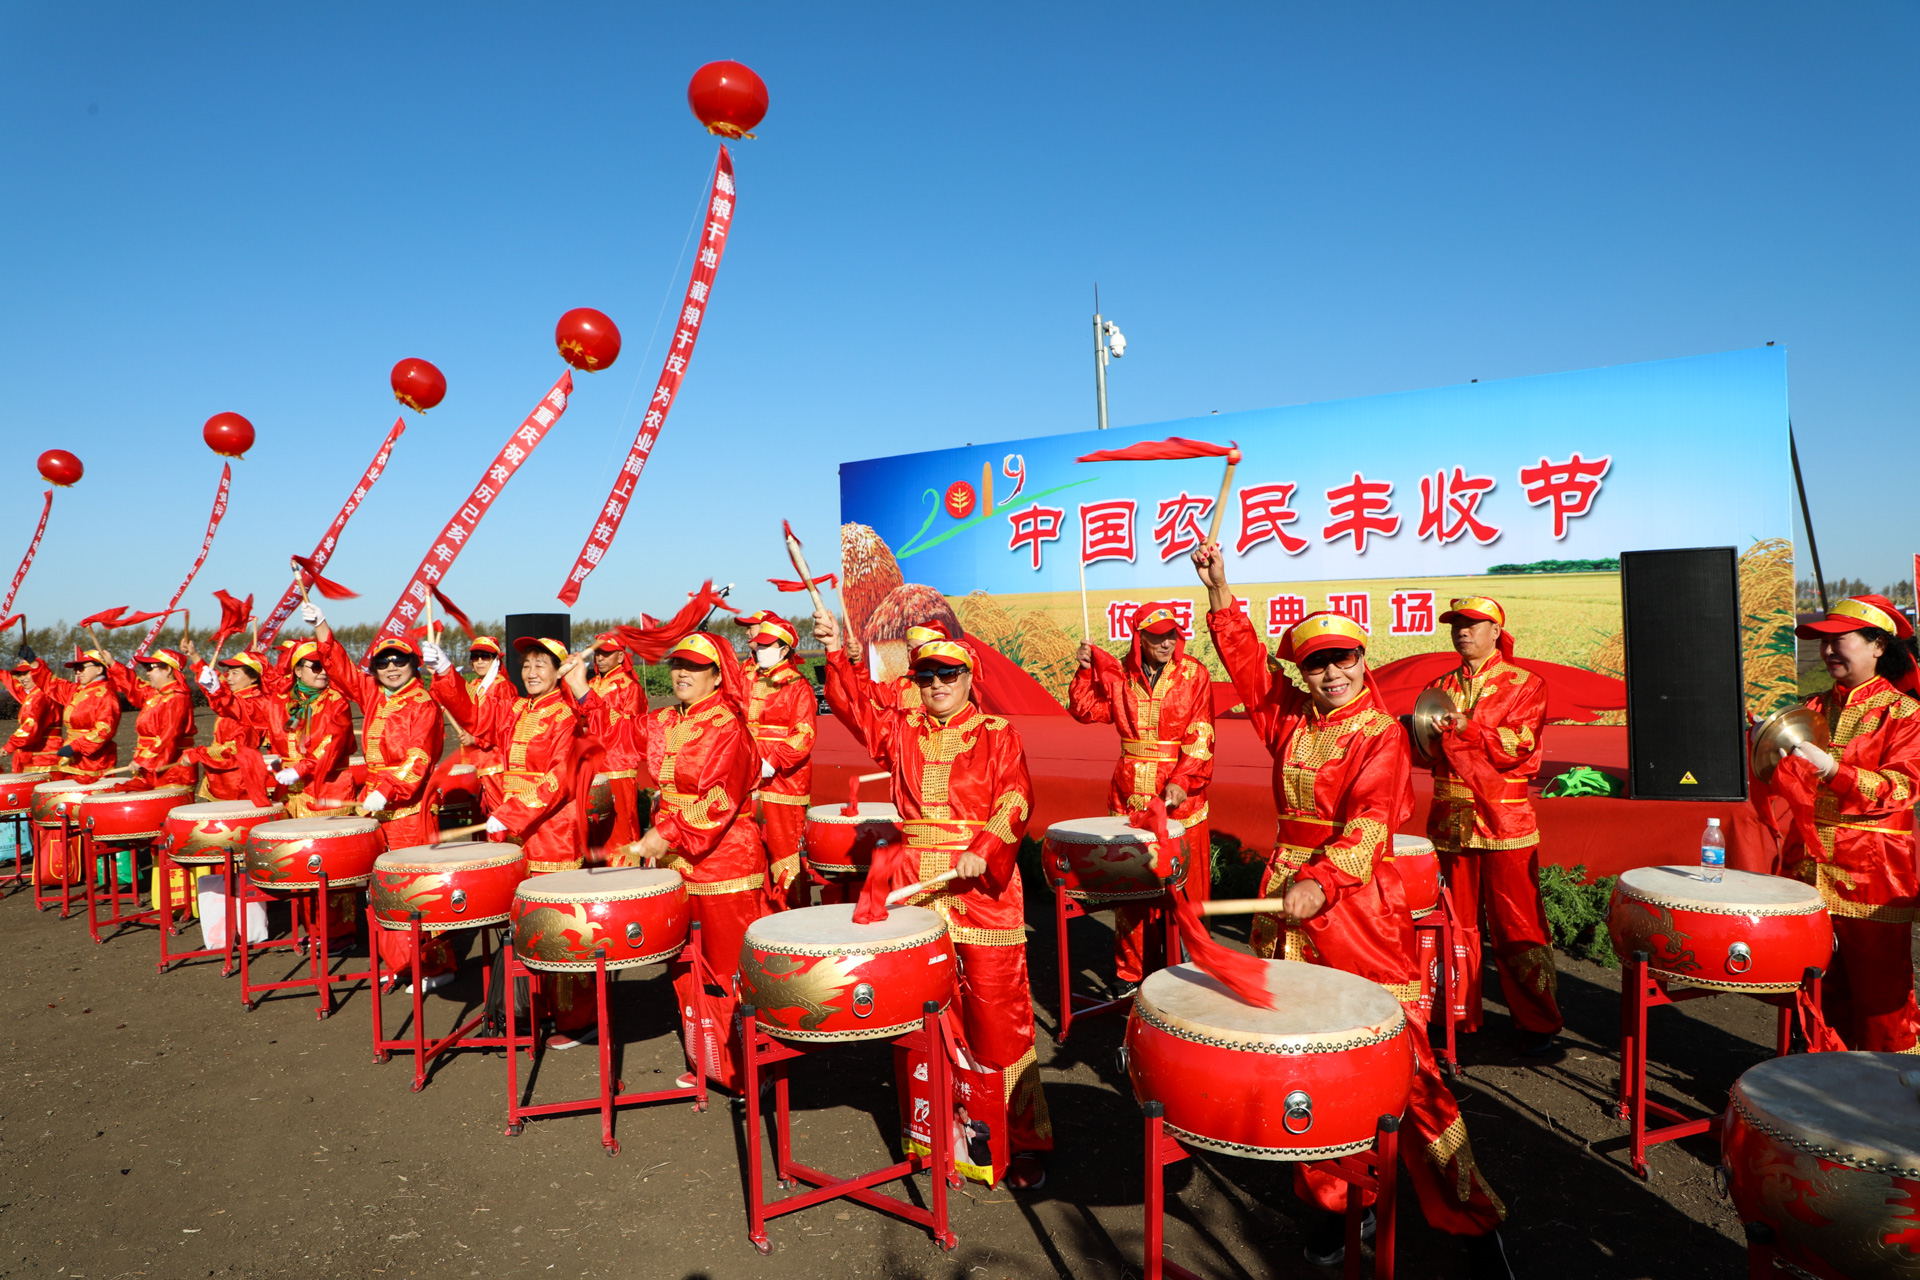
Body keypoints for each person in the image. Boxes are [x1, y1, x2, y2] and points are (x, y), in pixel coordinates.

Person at [1193, 542, 1511, 1276]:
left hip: (1358, 911)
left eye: (1343, 659)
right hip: (1287, 908)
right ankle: (1333, 1206)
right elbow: (1248, 669)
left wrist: (1323, 879)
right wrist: (1219, 592)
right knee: (1308, 1058)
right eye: (1316, 664)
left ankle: (1470, 1215)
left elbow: (1370, 824)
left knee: (1403, 1064)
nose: (1332, 673)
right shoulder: (1293, 719)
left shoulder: (1379, 736)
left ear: (1364, 660)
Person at [816, 610, 1054, 1191]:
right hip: (915, 890)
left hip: (982, 892)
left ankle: (1017, 1140)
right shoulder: (900, 731)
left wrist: (985, 846)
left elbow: (1017, 799)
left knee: (997, 1016)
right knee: (921, 1012)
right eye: (926, 676)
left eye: (949, 674)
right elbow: (854, 707)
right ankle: (936, 1131)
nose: (938, 684)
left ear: (970, 678)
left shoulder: (997, 734)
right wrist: (838, 652)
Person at [604, 632, 771, 1092]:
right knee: (684, 965)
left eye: (695, 667)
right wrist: (581, 691)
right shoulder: (663, 719)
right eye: (678, 664)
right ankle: (707, 1061)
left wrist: (666, 833)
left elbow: (720, 799)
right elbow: (616, 737)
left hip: (725, 864)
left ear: (717, 676)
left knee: (728, 969)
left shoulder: (729, 727)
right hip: (676, 864)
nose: (682, 673)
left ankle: (749, 1070)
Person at [1754, 593, 1920, 1052]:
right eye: (1823, 642)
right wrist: (1767, 743)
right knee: (1814, 987)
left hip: (1873, 874)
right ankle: (1817, 1077)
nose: (1827, 651)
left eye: (1839, 640)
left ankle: (1893, 1088)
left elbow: (1901, 788)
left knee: (1881, 996)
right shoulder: (1811, 707)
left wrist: (1832, 770)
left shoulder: (1905, 714)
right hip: (1809, 869)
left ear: (1878, 646)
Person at [1420, 597, 1563, 1055]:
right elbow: (1426, 750)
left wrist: (1467, 729)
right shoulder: (1438, 687)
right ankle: (1455, 1016)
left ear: (1496, 632)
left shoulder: (1526, 684)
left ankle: (1537, 1022)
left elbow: (1519, 745)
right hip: (1450, 818)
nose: (1462, 632)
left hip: (1505, 819)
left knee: (1517, 923)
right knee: (1452, 921)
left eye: (1473, 624)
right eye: (1456, 625)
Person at [438, 634, 598, 1033]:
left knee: (560, 928)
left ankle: (577, 1018)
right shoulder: (514, 708)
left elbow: (559, 779)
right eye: (526, 664)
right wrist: (444, 673)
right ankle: (534, 1009)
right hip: (516, 833)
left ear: (560, 672)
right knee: (525, 925)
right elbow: (475, 719)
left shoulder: (566, 717)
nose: (531, 671)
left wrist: (510, 813)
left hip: (553, 834)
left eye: (541, 664)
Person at [1069, 603, 1216, 994]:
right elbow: (1085, 710)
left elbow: (1202, 733)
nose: (1166, 643)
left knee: (1185, 890)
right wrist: (1084, 671)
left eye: (1171, 635)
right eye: (1156, 637)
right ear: (1139, 638)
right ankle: (1132, 974)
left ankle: (1191, 973)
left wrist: (1183, 779)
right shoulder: (1119, 674)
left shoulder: (1194, 674)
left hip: (1182, 797)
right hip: (1129, 793)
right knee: (1132, 891)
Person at [304, 602, 443, 850]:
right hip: (372, 802)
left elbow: (419, 757)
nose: (391, 668)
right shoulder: (373, 693)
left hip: (409, 810)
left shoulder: (423, 704)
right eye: (382, 663)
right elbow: (341, 669)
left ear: (413, 663)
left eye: (399, 660)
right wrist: (320, 626)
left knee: (407, 871)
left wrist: (387, 790)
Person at [739, 612, 815, 908]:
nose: (760, 649)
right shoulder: (749, 678)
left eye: (767, 645)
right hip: (748, 778)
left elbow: (804, 735)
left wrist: (771, 762)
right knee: (751, 850)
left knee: (784, 855)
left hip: (784, 783)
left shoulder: (797, 685)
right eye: (759, 644)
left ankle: (793, 913)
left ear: (784, 650)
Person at [269, 640, 358, 817]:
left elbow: (333, 744)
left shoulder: (336, 701)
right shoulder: (282, 700)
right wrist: (217, 692)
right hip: (289, 793)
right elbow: (245, 711)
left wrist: (299, 769)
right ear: (298, 671)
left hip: (326, 790)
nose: (323, 672)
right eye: (317, 667)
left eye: (326, 666)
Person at [577, 633, 645, 847]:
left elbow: (632, 728)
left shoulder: (630, 687)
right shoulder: (591, 683)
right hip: (592, 763)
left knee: (620, 828)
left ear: (620, 656)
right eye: (597, 653)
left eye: (606, 654)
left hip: (618, 764)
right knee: (592, 828)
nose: (600, 658)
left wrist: (600, 716)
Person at [182, 644, 270, 803]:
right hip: (221, 779)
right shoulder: (238, 697)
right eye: (228, 672)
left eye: (235, 673)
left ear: (254, 677)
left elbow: (236, 750)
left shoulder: (255, 704)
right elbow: (218, 687)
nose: (229, 677)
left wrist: (198, 754)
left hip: (239, 783)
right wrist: (195, 656)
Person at [109, 648, 198, 788]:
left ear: (168, 669)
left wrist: (143, 759)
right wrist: (113, 664)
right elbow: (134, 686)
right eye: (146, 668)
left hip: (172, 773)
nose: (147, 673)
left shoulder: (177, 698)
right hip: (150, 765)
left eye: (150, 668)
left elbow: (168, 736)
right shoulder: (155, 694)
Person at [32, 647, 122, 781]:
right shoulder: (75, 690)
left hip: (94, 763)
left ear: (99, 669)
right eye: (76, 669)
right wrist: (33, 663)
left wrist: (75, 746)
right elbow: (50, 683)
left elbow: (104, 730)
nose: (77, 672)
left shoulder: (106, 694)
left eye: (82, 668)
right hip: (72, 759)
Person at [457, 636, 514, 814]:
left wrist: (475, 739)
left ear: (496, 659)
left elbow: (506, 726)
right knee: (478, 817)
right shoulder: (473, 685)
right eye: (475, 657)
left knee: (498, 815)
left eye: (485, 656)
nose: (480, 661)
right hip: (473, 762)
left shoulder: (502, 686)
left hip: (493, 763)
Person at [2, 645, 65, 773]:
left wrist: (10, 746)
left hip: (45, 755)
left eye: (26, 673)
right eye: (19, 674)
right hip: (35, 753)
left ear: (36, 673)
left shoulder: (41, 695)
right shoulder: (31, 694)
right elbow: (12, 683)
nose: (22, 678)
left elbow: (31, 724)